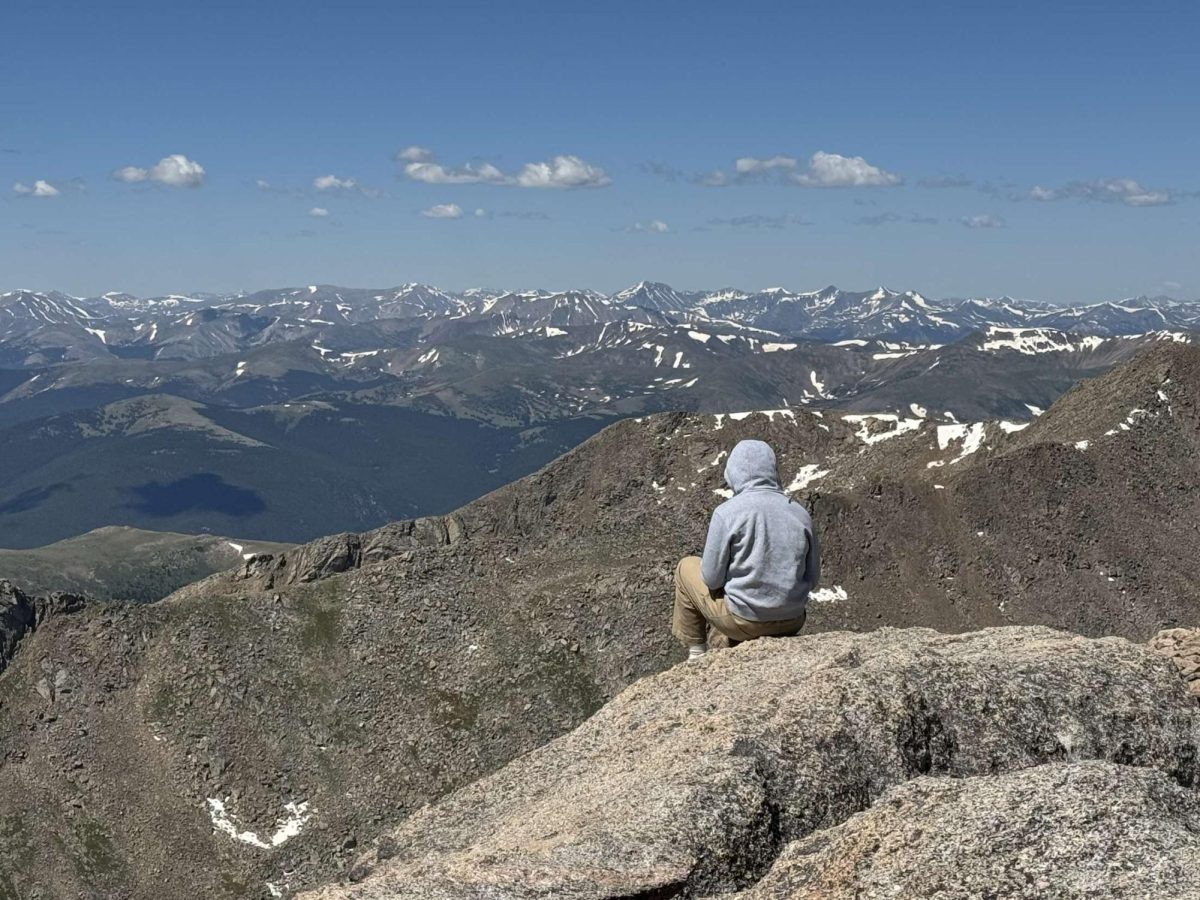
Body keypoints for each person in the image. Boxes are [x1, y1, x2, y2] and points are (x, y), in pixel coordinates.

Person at [672, 439, 819, 658]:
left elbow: (711, 578)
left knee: (686, 567)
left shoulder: (727, 513)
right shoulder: (800, 514)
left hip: (745, 621)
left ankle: (696, 653)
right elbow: (813, 579)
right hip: (793, 620)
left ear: (733, 473)